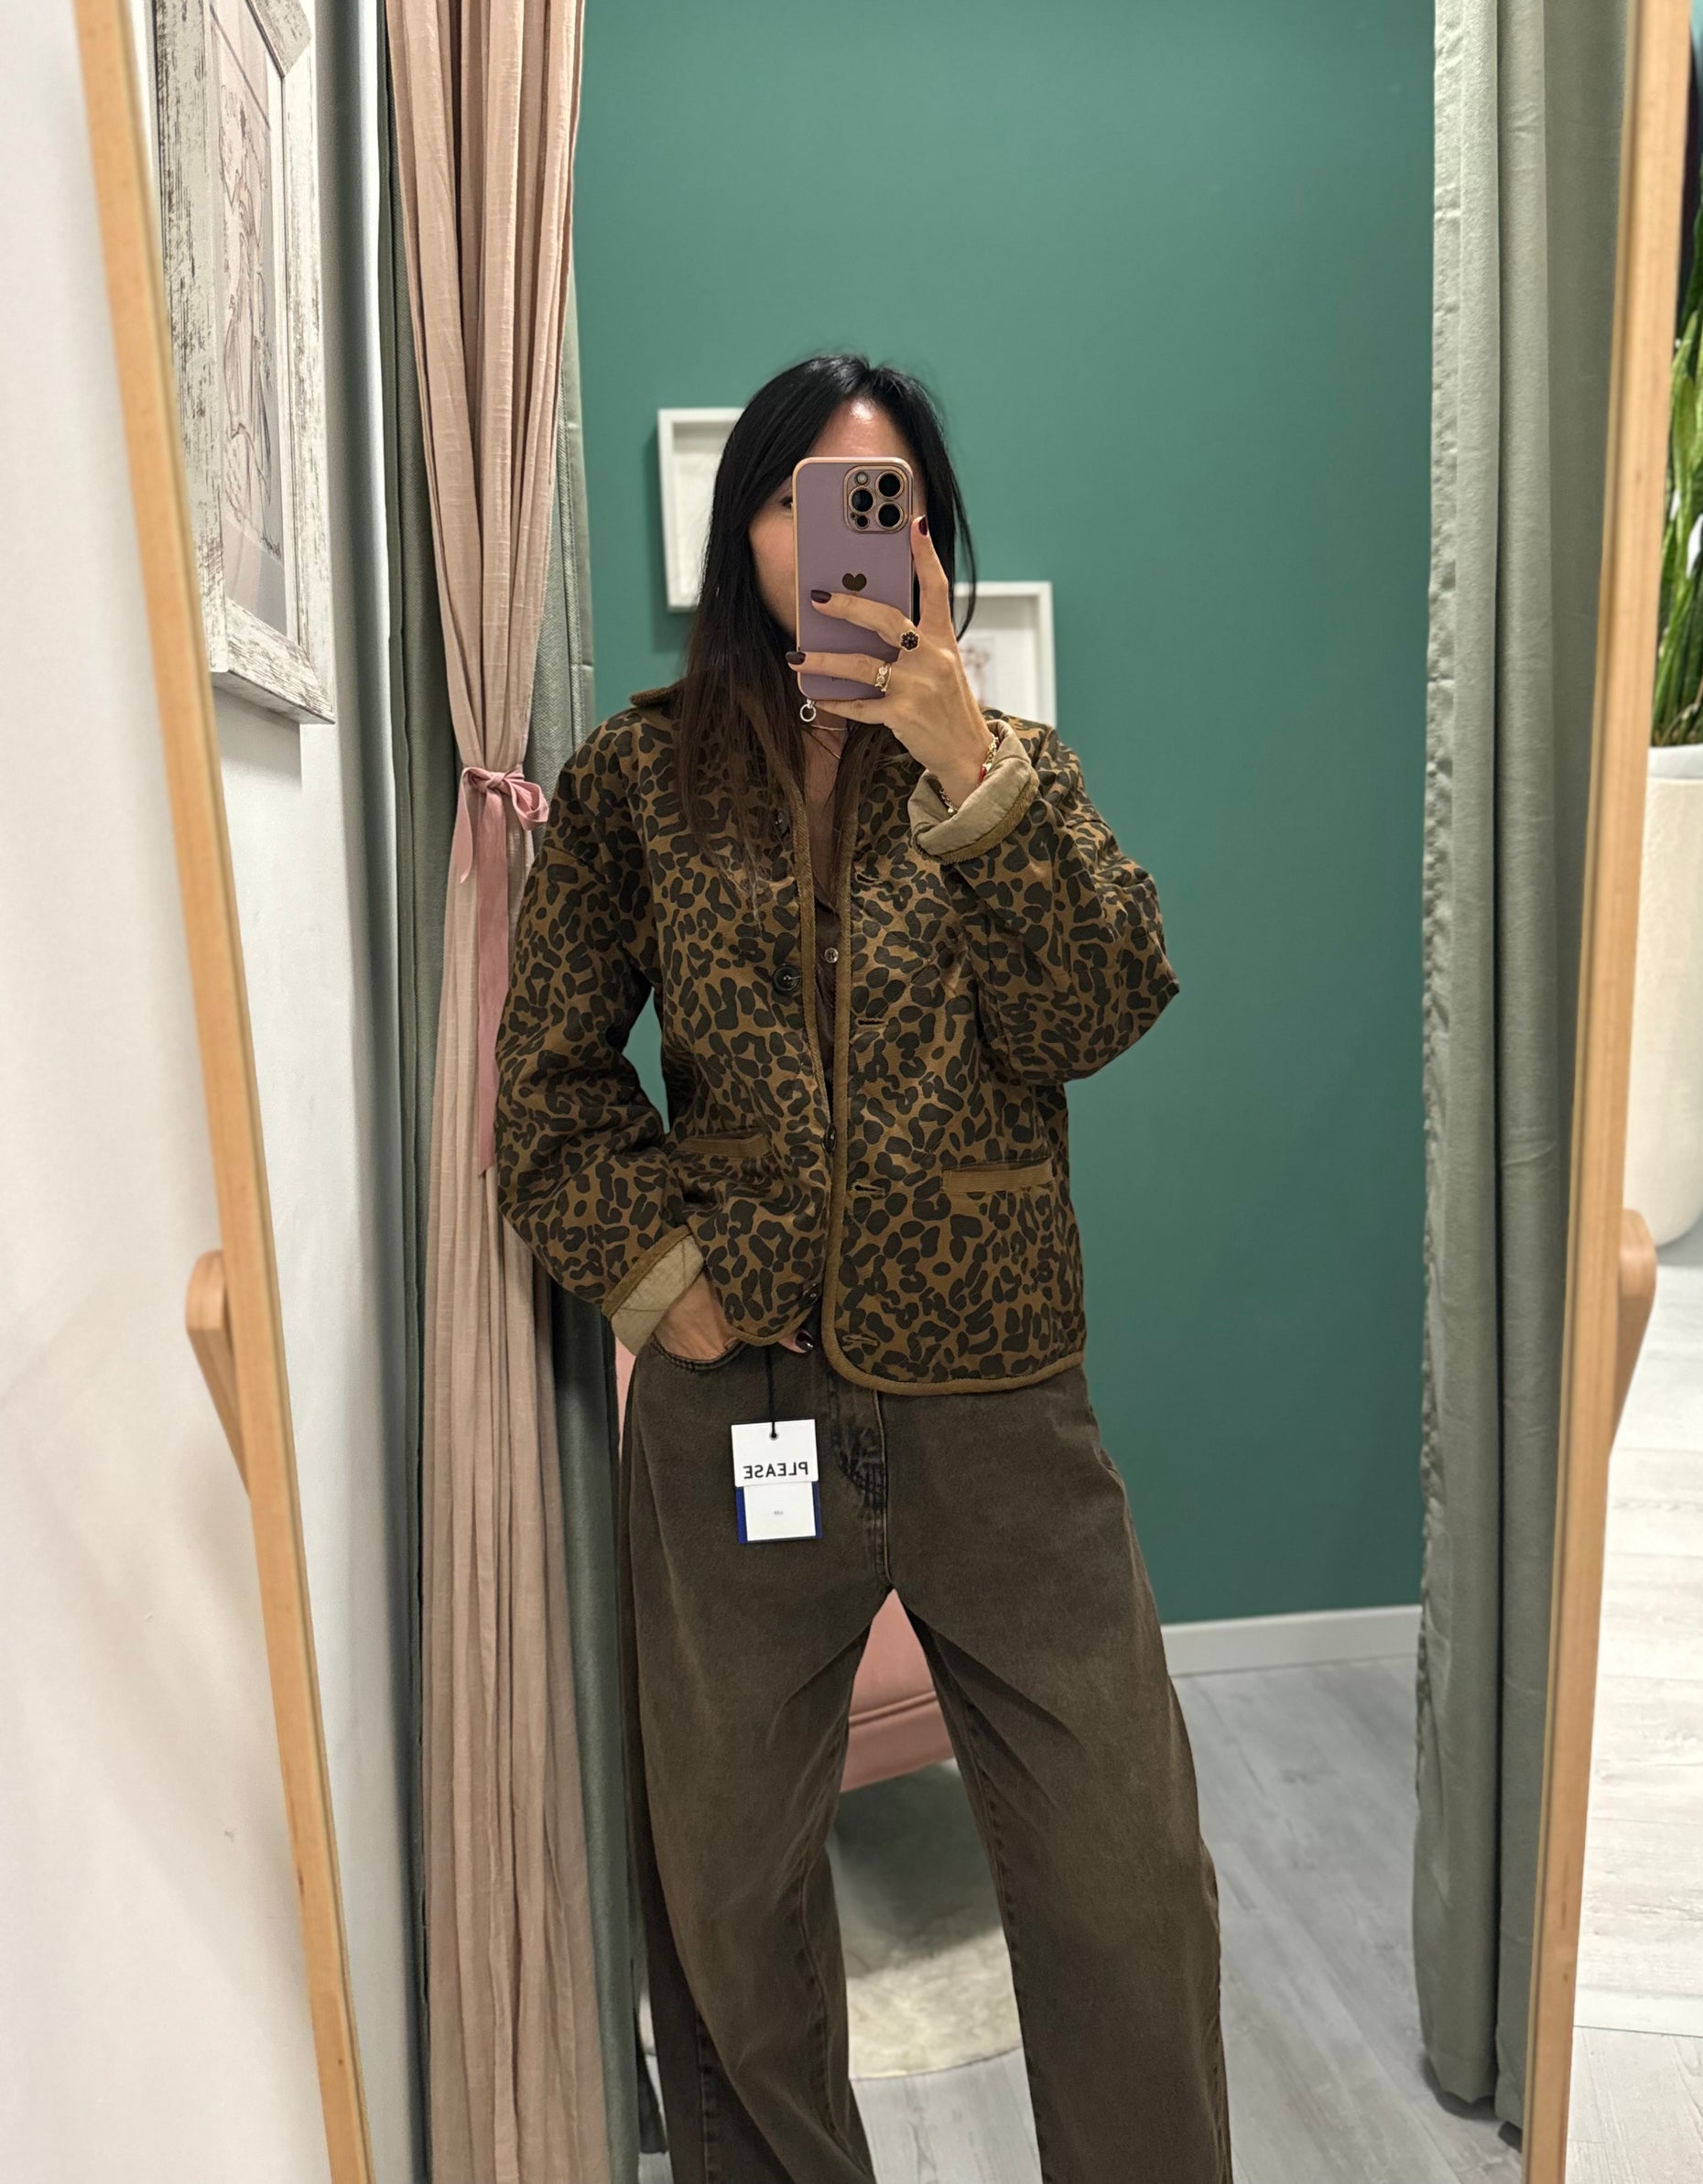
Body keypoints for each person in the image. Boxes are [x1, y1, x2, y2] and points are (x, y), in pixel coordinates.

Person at [495, 354, 1232, 2183]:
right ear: (740, 532)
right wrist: (658, 1276)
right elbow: (549, 1082)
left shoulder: (1012, 772)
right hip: (741, 1409)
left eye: (875, 498)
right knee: (727, 1900)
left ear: (923, 533)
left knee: (1125, 1879)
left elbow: (1100, 1006)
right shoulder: (636, 780)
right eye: (791, 496)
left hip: (1002, 1415)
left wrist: (972, 770)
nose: (830, 534)